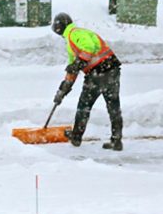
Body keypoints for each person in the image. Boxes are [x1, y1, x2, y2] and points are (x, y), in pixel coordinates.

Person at [50, 12, 123, 151]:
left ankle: (76, 137)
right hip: (111, 70)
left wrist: (79, 62)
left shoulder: (74, 33)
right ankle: (116, 140)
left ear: (59, 27)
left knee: (84, 106)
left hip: (98, 73)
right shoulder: (74, 37)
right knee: (113, 107)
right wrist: (63, 89)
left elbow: (88, 48)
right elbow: (73, 70)